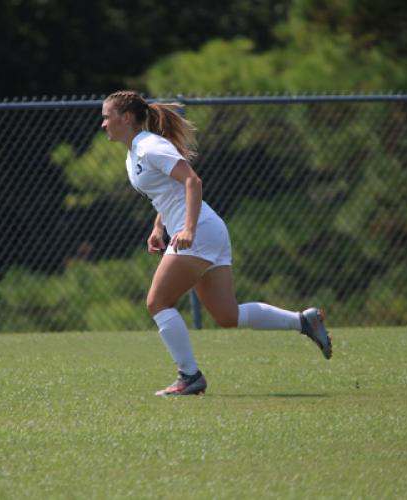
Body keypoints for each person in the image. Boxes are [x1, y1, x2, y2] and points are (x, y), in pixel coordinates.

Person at [101, 90, 332, 397]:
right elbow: (167, 192)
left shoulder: (149, 146)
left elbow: (192, 181)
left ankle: (189, 376)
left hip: (200, 232)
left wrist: (188, 229)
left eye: (107, 116)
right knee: (227, 316)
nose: (103, 123)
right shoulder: (134, 153)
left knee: (157, 302)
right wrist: (159, 227)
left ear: (126, 118)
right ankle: (303, 321)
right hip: (207, 232)